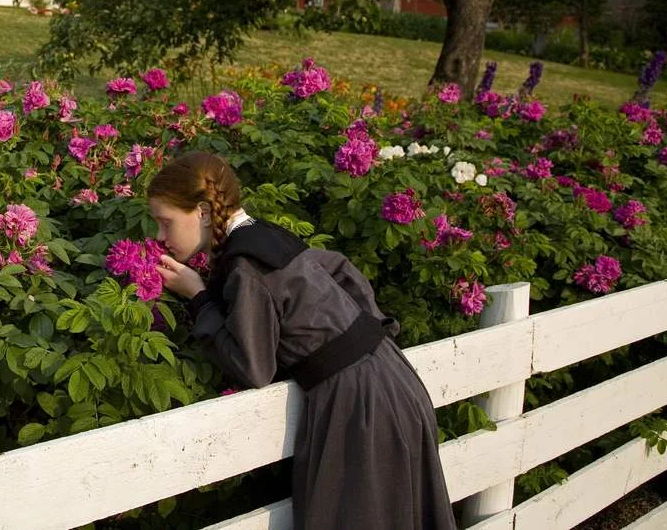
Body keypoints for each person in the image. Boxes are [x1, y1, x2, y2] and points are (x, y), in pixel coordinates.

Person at [150, 150, 456, 530]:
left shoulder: (246, 265)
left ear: (203, 212)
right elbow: (345, 272)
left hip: (357, 401)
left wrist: (198, 299)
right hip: (392, 376)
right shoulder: (265, 235)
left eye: (165, 223)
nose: (160, 238)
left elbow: (254, 368)